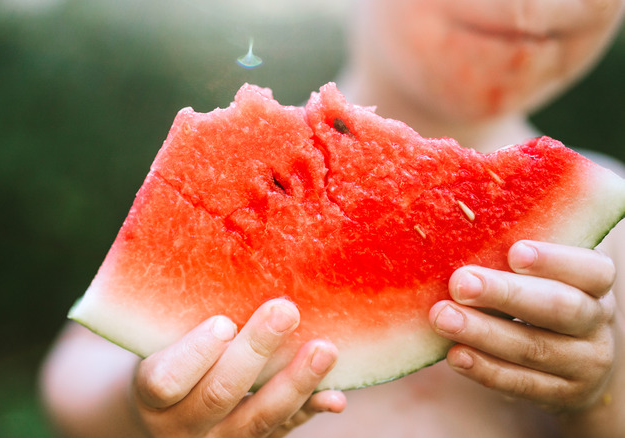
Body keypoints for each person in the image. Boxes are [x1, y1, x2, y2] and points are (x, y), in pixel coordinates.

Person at [40, 0, 625, 436]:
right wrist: (142, 412)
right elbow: (79, 367)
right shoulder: (237, 176)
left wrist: (597, 395)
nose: (529, 8)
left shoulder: (607, 221)